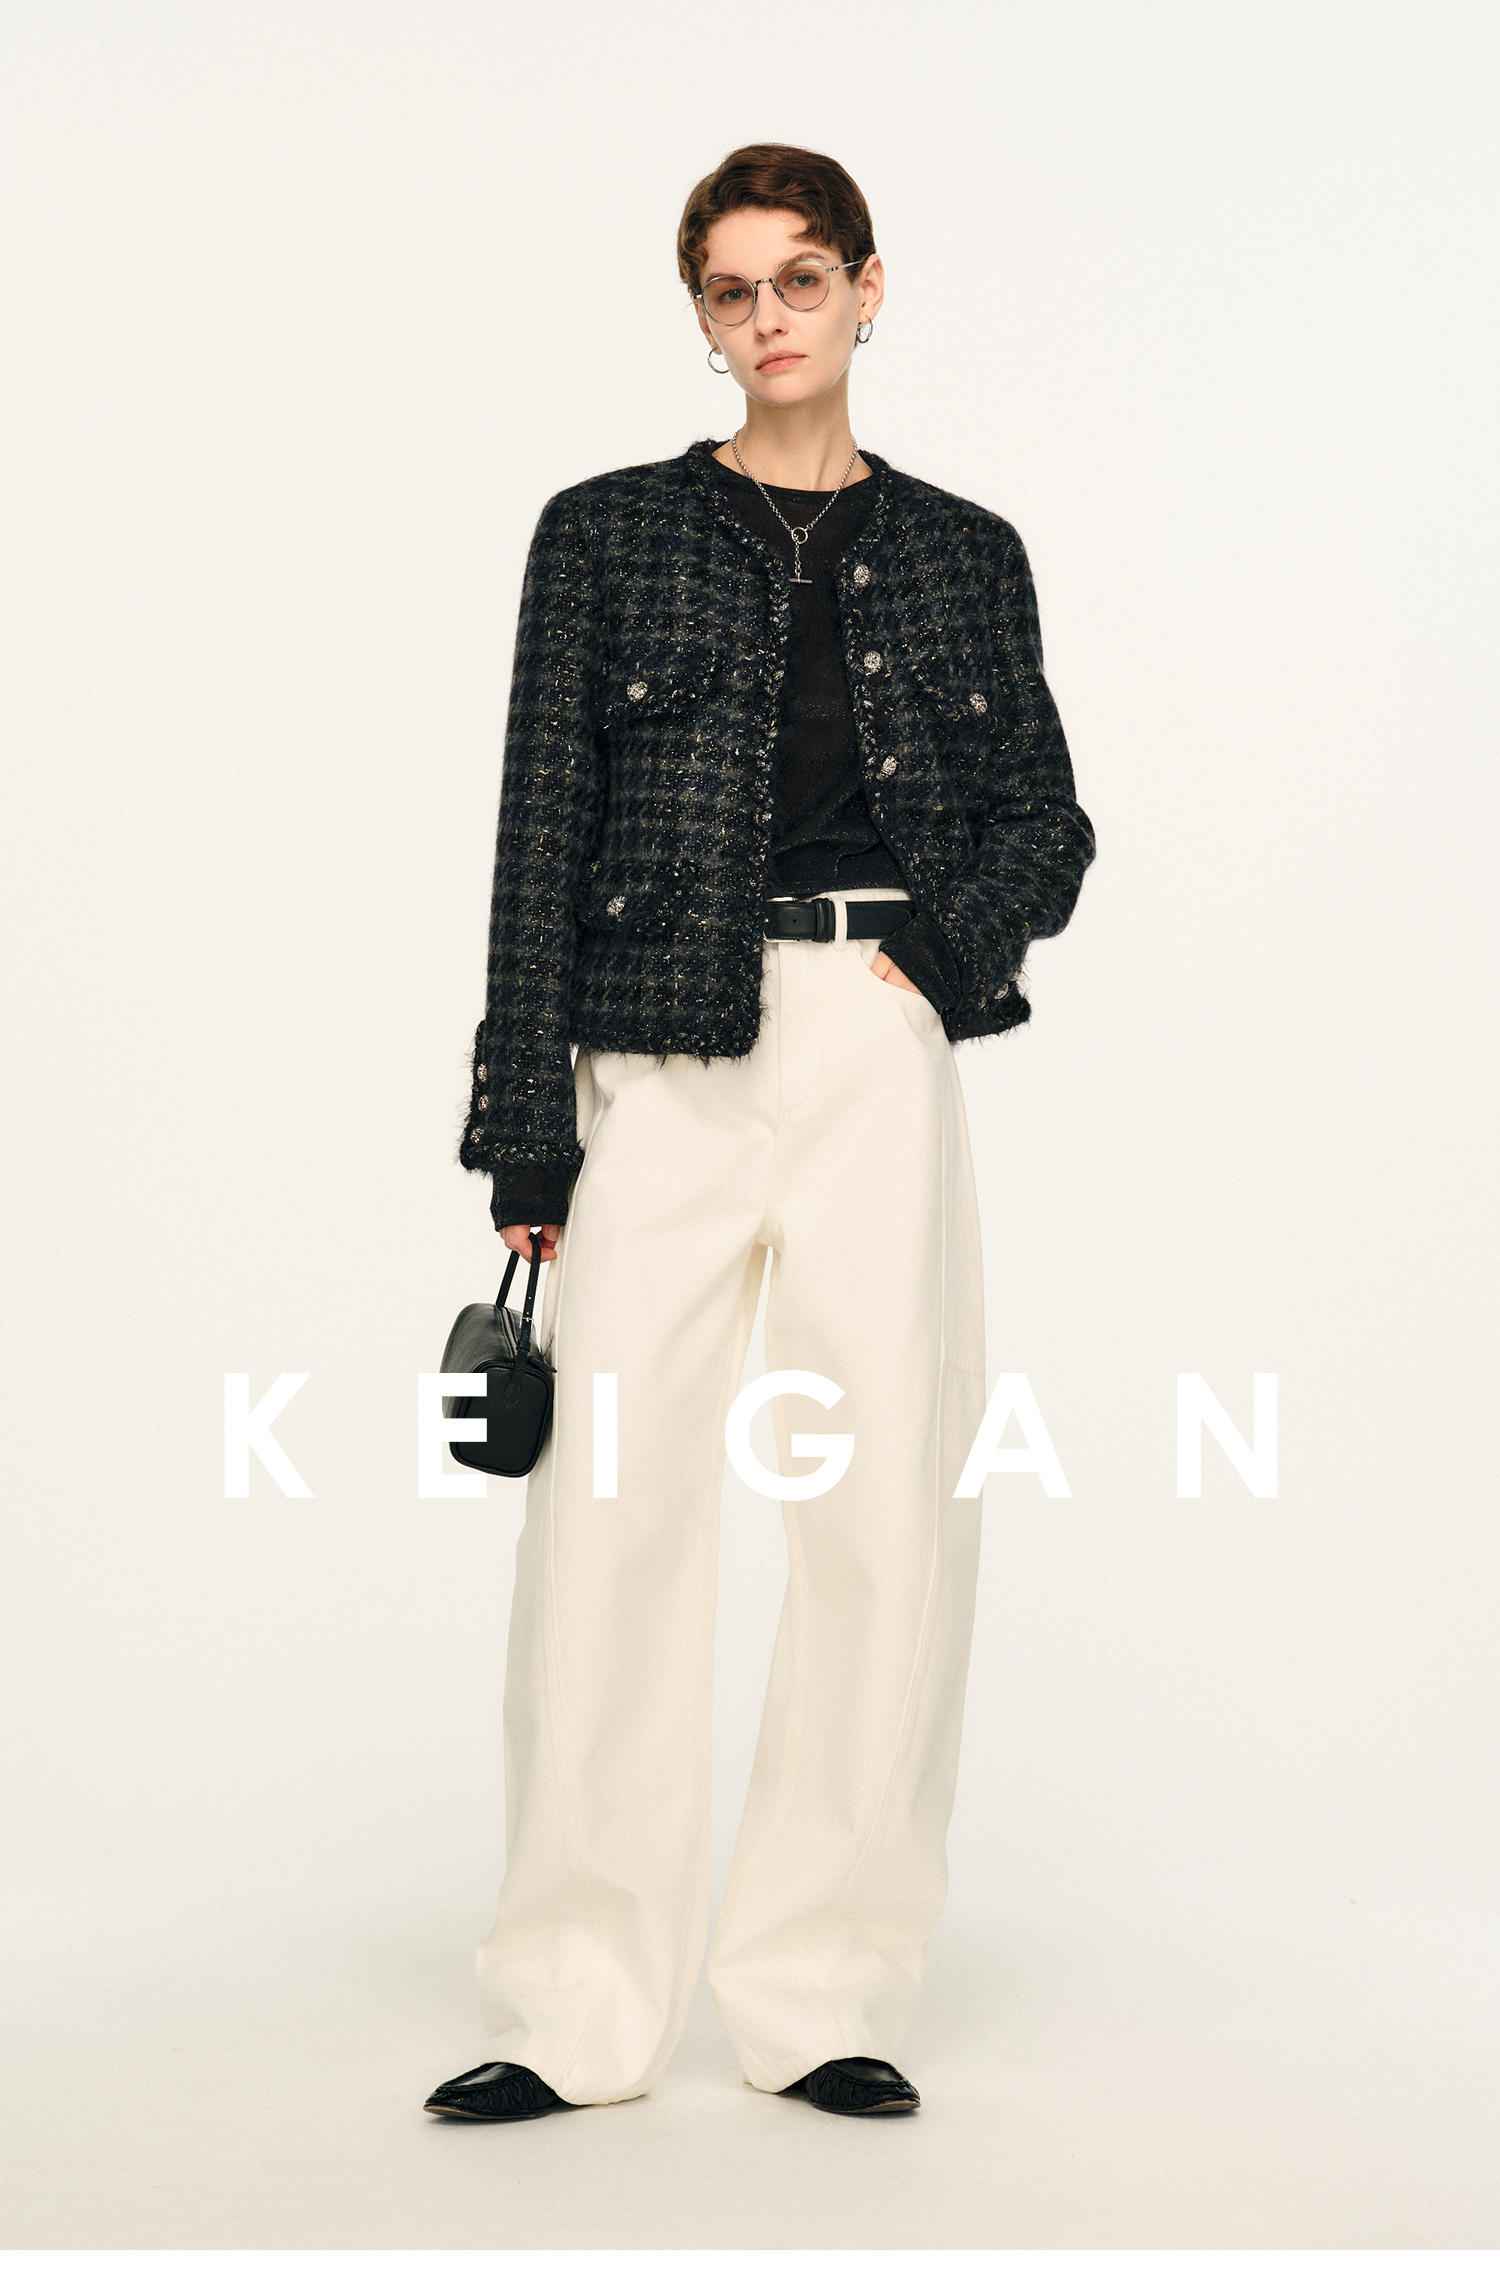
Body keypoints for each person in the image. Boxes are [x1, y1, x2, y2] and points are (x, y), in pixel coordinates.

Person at [424, 143, 1096, 2125]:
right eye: (733, 289)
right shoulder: (605, 536)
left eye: (804, 277)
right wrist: (526, 1136)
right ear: (701, 319)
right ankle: (573, 2002)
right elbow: (537, 840)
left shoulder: (967, 550)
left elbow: (1046, 820)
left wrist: (937, 961)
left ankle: (824, 1990)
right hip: (658, 1053)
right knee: (609, 1517)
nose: (770, 316)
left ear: (870, 289)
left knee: (887, 1511)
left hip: (880, 1038)